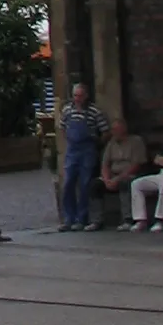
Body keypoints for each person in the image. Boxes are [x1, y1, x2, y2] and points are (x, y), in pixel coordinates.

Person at [58, 83, 110, 232]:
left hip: (88, 151)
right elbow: (62, 127)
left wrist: (97, 144)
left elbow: (105, 131)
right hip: (72, 150)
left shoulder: (95, 111)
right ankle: (69, 218)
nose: (77, 99)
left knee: (85, 184)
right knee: (68, 183)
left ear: (86, 96)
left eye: (80, 96)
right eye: (75, 96)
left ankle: (82, 218)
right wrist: (68, 139)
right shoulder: (67, 110)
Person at [99, 117, 148, 229]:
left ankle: (127, 219)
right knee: (95, 186)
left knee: (124, 183)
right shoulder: (111, 143)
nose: (113, 132)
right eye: (112, 130)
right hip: (112, 175)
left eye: (116, 129)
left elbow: (136, 165)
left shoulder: (136, 141)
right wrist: (106, 179)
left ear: (124, 129)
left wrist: (118, 178)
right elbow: (105, 164)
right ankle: (96, 220)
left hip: (130, 174)